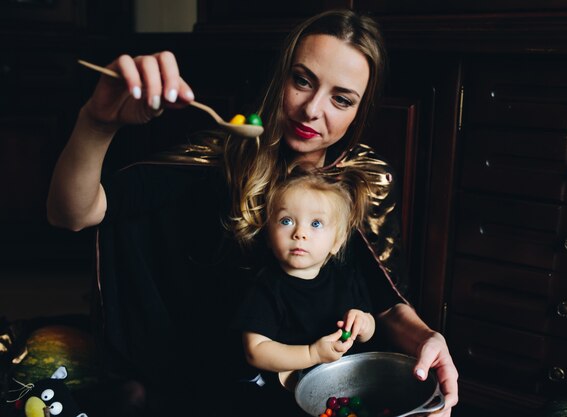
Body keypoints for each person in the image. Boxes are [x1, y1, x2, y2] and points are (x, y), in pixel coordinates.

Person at [46, 9, 459, 417]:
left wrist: (427, 338)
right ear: (281, 76)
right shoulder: (223, 157)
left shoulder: (365, 178)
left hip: (332, 386)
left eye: (341, 98)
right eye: (302, 81)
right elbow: (73, 214)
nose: (312, 109)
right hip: (227, 386)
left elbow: (388, 302)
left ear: (359, 111)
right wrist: (96, 124)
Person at [235, 167, 376, 396]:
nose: (300, 233)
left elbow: (369, 327)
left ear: (337, 241)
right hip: (283, 391)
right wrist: (312, 354)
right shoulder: (266, 287)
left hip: (338, 387)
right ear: (269, 234)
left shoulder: (345, 278)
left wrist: (364, 324)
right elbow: (256, 350)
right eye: (287, 220)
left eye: (316, 224)